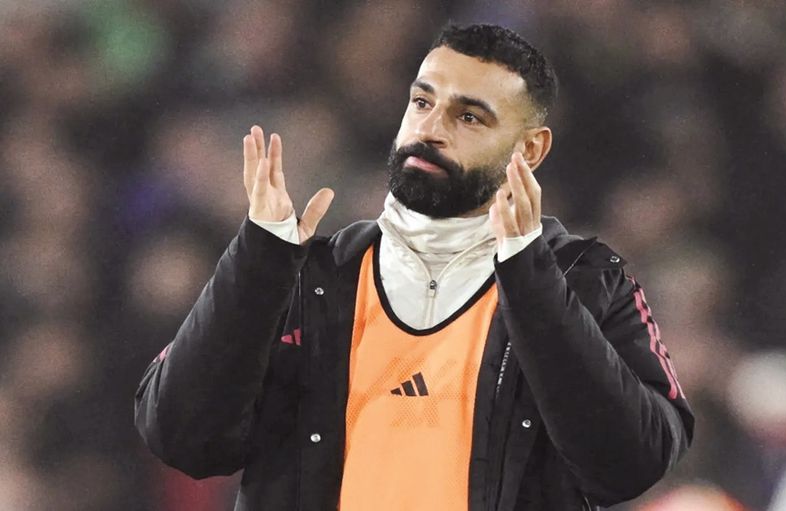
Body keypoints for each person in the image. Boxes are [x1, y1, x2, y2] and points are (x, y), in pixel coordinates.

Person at [134, 23, 694, 511]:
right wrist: (258, 265)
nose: (431, 129)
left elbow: (632, 465)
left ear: (530, 150)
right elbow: (181, 438)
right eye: (422, 102)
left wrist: (530, 277)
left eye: (469, 117)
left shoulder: (587, 280)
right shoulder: (306, 276)